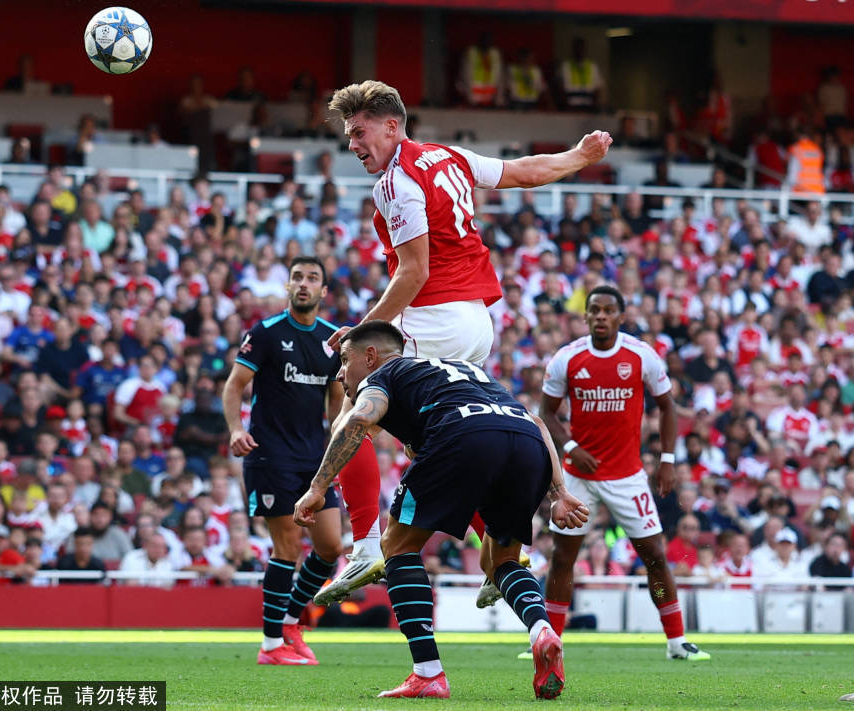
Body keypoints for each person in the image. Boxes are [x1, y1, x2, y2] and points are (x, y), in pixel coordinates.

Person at [319, 79, 611, 604]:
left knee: (351, 407)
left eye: (359, 132)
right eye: (349, 134)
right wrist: (579, 156)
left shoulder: (396, 181)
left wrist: (363, 330)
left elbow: (413, 273)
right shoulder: (446, 156)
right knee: (435, 436)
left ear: (391, 126)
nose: (352, 143)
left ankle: (363, 547)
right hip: (476, 320)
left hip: (433, 318)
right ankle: (502, 550)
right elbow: (524, 173)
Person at [293, 321, 588, 700]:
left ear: (370, 356)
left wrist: (317, 487)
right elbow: (536, 422)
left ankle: (428, 673)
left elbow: (359, 419)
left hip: (463, 434)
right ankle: (541, 630)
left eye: (345, 361)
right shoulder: (463, 370)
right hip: (526, 443)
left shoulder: (383, 375)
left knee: (397, 546)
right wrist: (559, 492)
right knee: (501, 561)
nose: (339, 374)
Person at [537, 286, 709, 661]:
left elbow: (667, 407)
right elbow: (546, 412)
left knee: (655, 557)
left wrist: (667, 460)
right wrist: (571, 448)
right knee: (563, 558)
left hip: (628, 476)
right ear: (585, 316)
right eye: (594, 310)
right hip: (578, 476)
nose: (601, 316)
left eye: (608, 310)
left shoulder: (641, 355)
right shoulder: (567, 358)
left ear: (621, 317)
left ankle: (677, 641)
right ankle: (550, 643)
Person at [222, 256, 345, 666]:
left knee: (329, 547)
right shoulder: (267, 332)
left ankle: (291, 622)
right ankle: (271, 645)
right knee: (288, 545)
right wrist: (236, 430)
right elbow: (234, 386)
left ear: (323, 291)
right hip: (270, 455)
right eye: (297, 277)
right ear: (288, 286)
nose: (304, 284)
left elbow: (336, 404)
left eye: (312, 278)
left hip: (314, 461)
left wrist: (339, 449)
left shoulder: (331, 340)